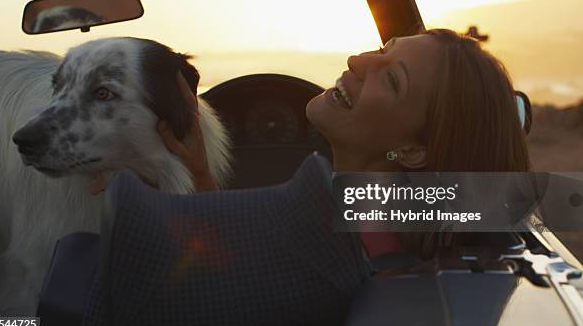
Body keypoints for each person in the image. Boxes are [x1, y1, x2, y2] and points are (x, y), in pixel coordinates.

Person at [153, 28, 531, 260]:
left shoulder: (342, 244)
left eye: (392, 80)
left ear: (414, 151)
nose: (357, 61)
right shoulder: (387, 231)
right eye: (383, 49)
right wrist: (198, 173)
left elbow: (228, 282)